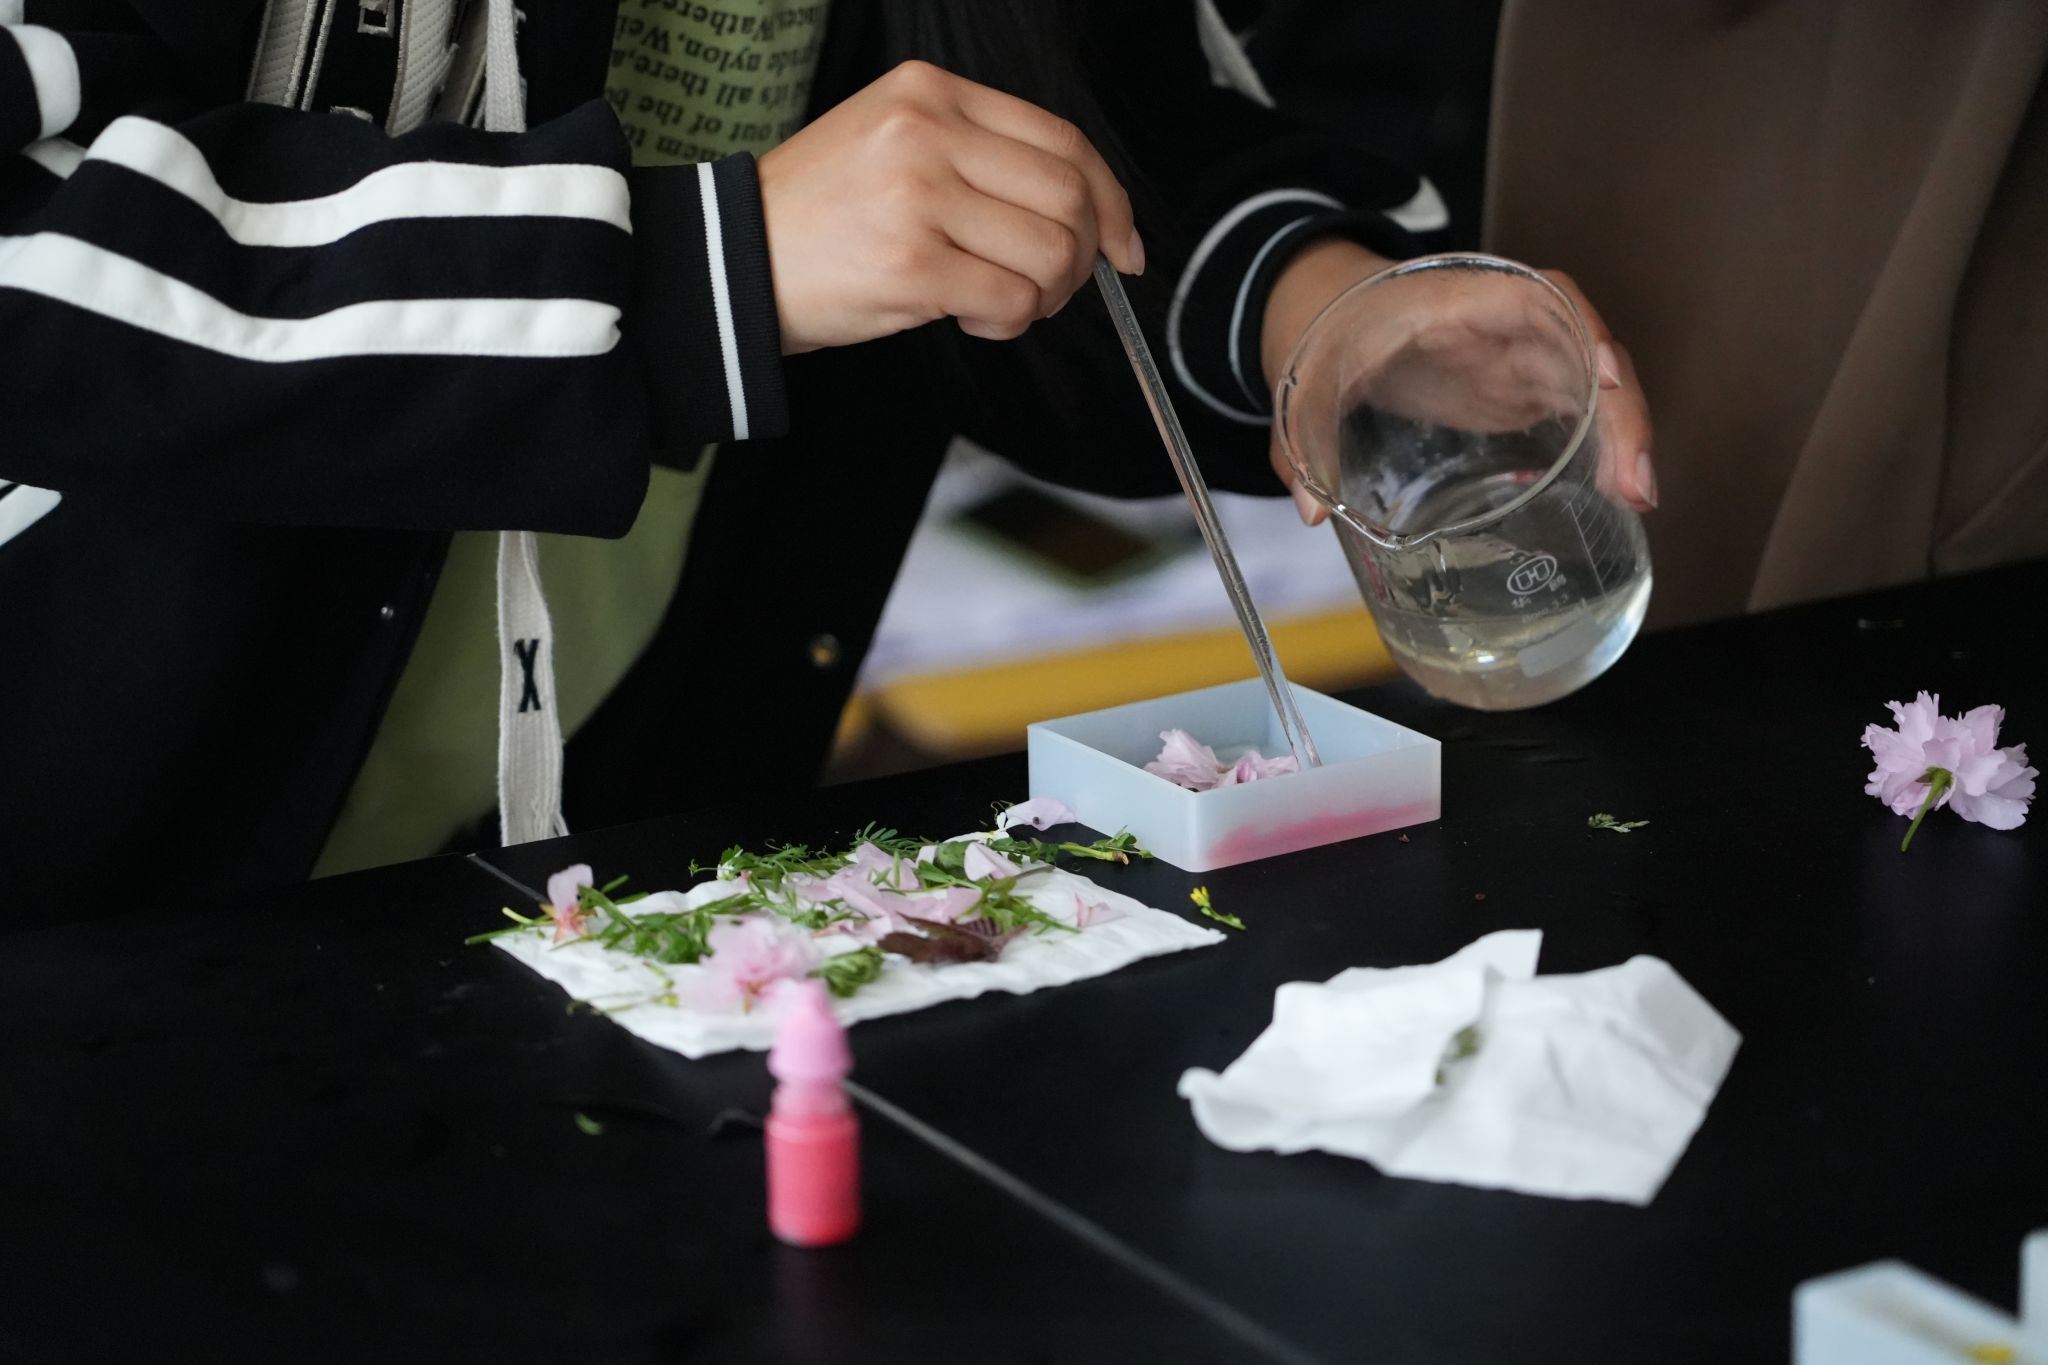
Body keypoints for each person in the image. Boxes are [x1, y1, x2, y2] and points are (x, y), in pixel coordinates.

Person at [0, 0, 1653, 909]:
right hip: (113, 896)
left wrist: (1316, 305)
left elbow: (1060, 112)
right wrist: (709, 266)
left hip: (616, 847)